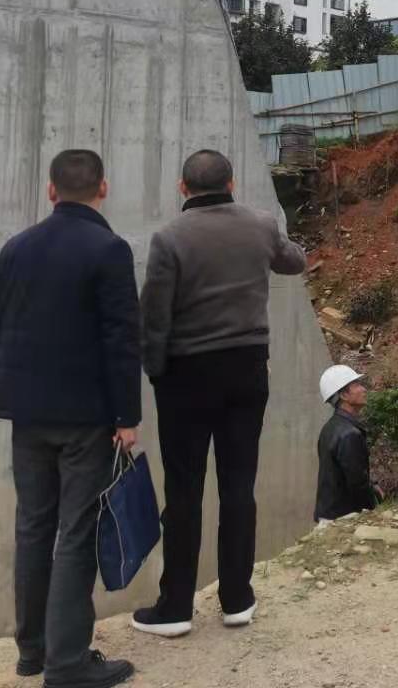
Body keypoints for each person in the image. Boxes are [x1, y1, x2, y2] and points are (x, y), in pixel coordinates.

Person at [131, 149, 308, 639]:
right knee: (238, 486)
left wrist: (156, 372)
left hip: (186, 375)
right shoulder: (261, 224)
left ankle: (176, 607)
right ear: (231, 183)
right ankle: (237, 599)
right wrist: (272, 235)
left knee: (184, 491)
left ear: (182, 188)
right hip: (247, 370)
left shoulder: (169, 238)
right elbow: (294, 262)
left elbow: (154, 316)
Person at [0, 149, 140, 688]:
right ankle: (68, 664)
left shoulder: (15, 248)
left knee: (33, 527)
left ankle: (32, 652)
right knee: (76, 533)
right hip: (85, 417)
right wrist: (126, 416)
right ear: (103, 188)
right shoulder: (109, 249)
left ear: (51, 190)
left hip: (26, 412)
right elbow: (121, 340)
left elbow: (2, 328)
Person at [314, 365, 381, 522]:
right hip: (342, 518)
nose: (363, 389)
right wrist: (374, 506)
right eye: (357, 385)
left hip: (329, 515)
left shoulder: (330, 428)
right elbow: (357, 484)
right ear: (343, 395)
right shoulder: (349, 434)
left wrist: (372, 485)